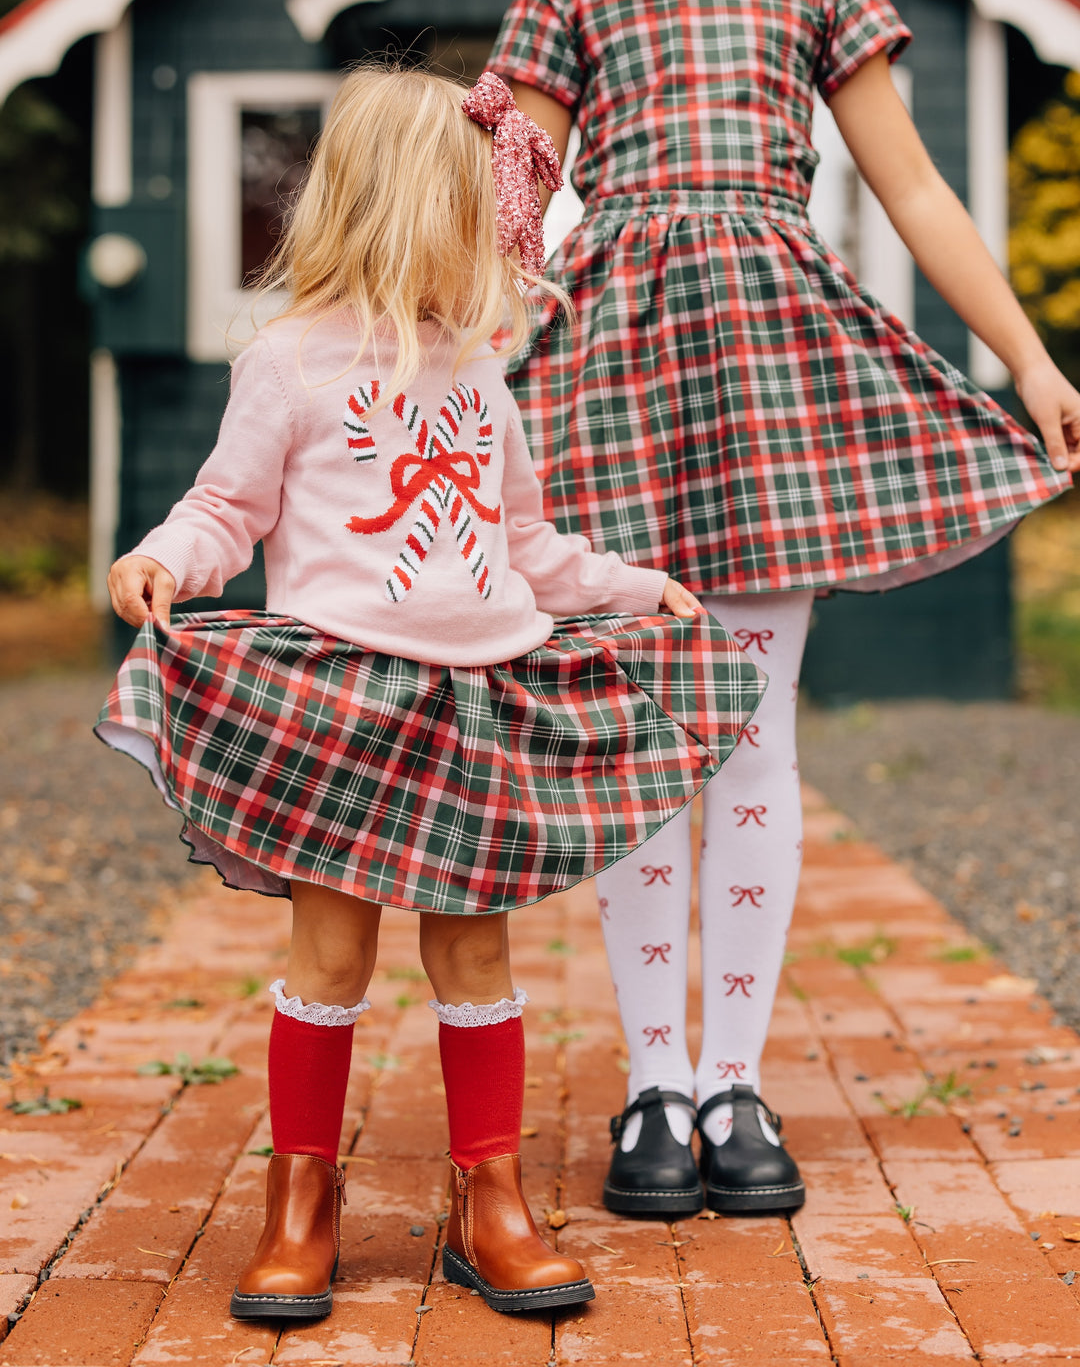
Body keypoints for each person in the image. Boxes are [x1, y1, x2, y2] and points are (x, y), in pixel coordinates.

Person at [95, 64, 766, 1321]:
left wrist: (629, 587)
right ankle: (302, 1201)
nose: (501, 239)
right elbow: (226, 509)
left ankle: (487, 1197)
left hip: (481, 698)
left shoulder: (477, 371)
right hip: (345, 705)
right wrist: (161, 558)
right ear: (406, 209)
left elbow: (527, 546)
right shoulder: (289, 365)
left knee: (473, 946)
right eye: (478, 214)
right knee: (332, 950)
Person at [487, 0, 1080, 1218]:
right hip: (610, 377)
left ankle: (733, 1083)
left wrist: (1029, 359)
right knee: (643, 740)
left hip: (771, 374)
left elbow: (918, 190)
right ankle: (655, 1083)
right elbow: (508, 212)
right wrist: (460, 374)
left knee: (755, 737)